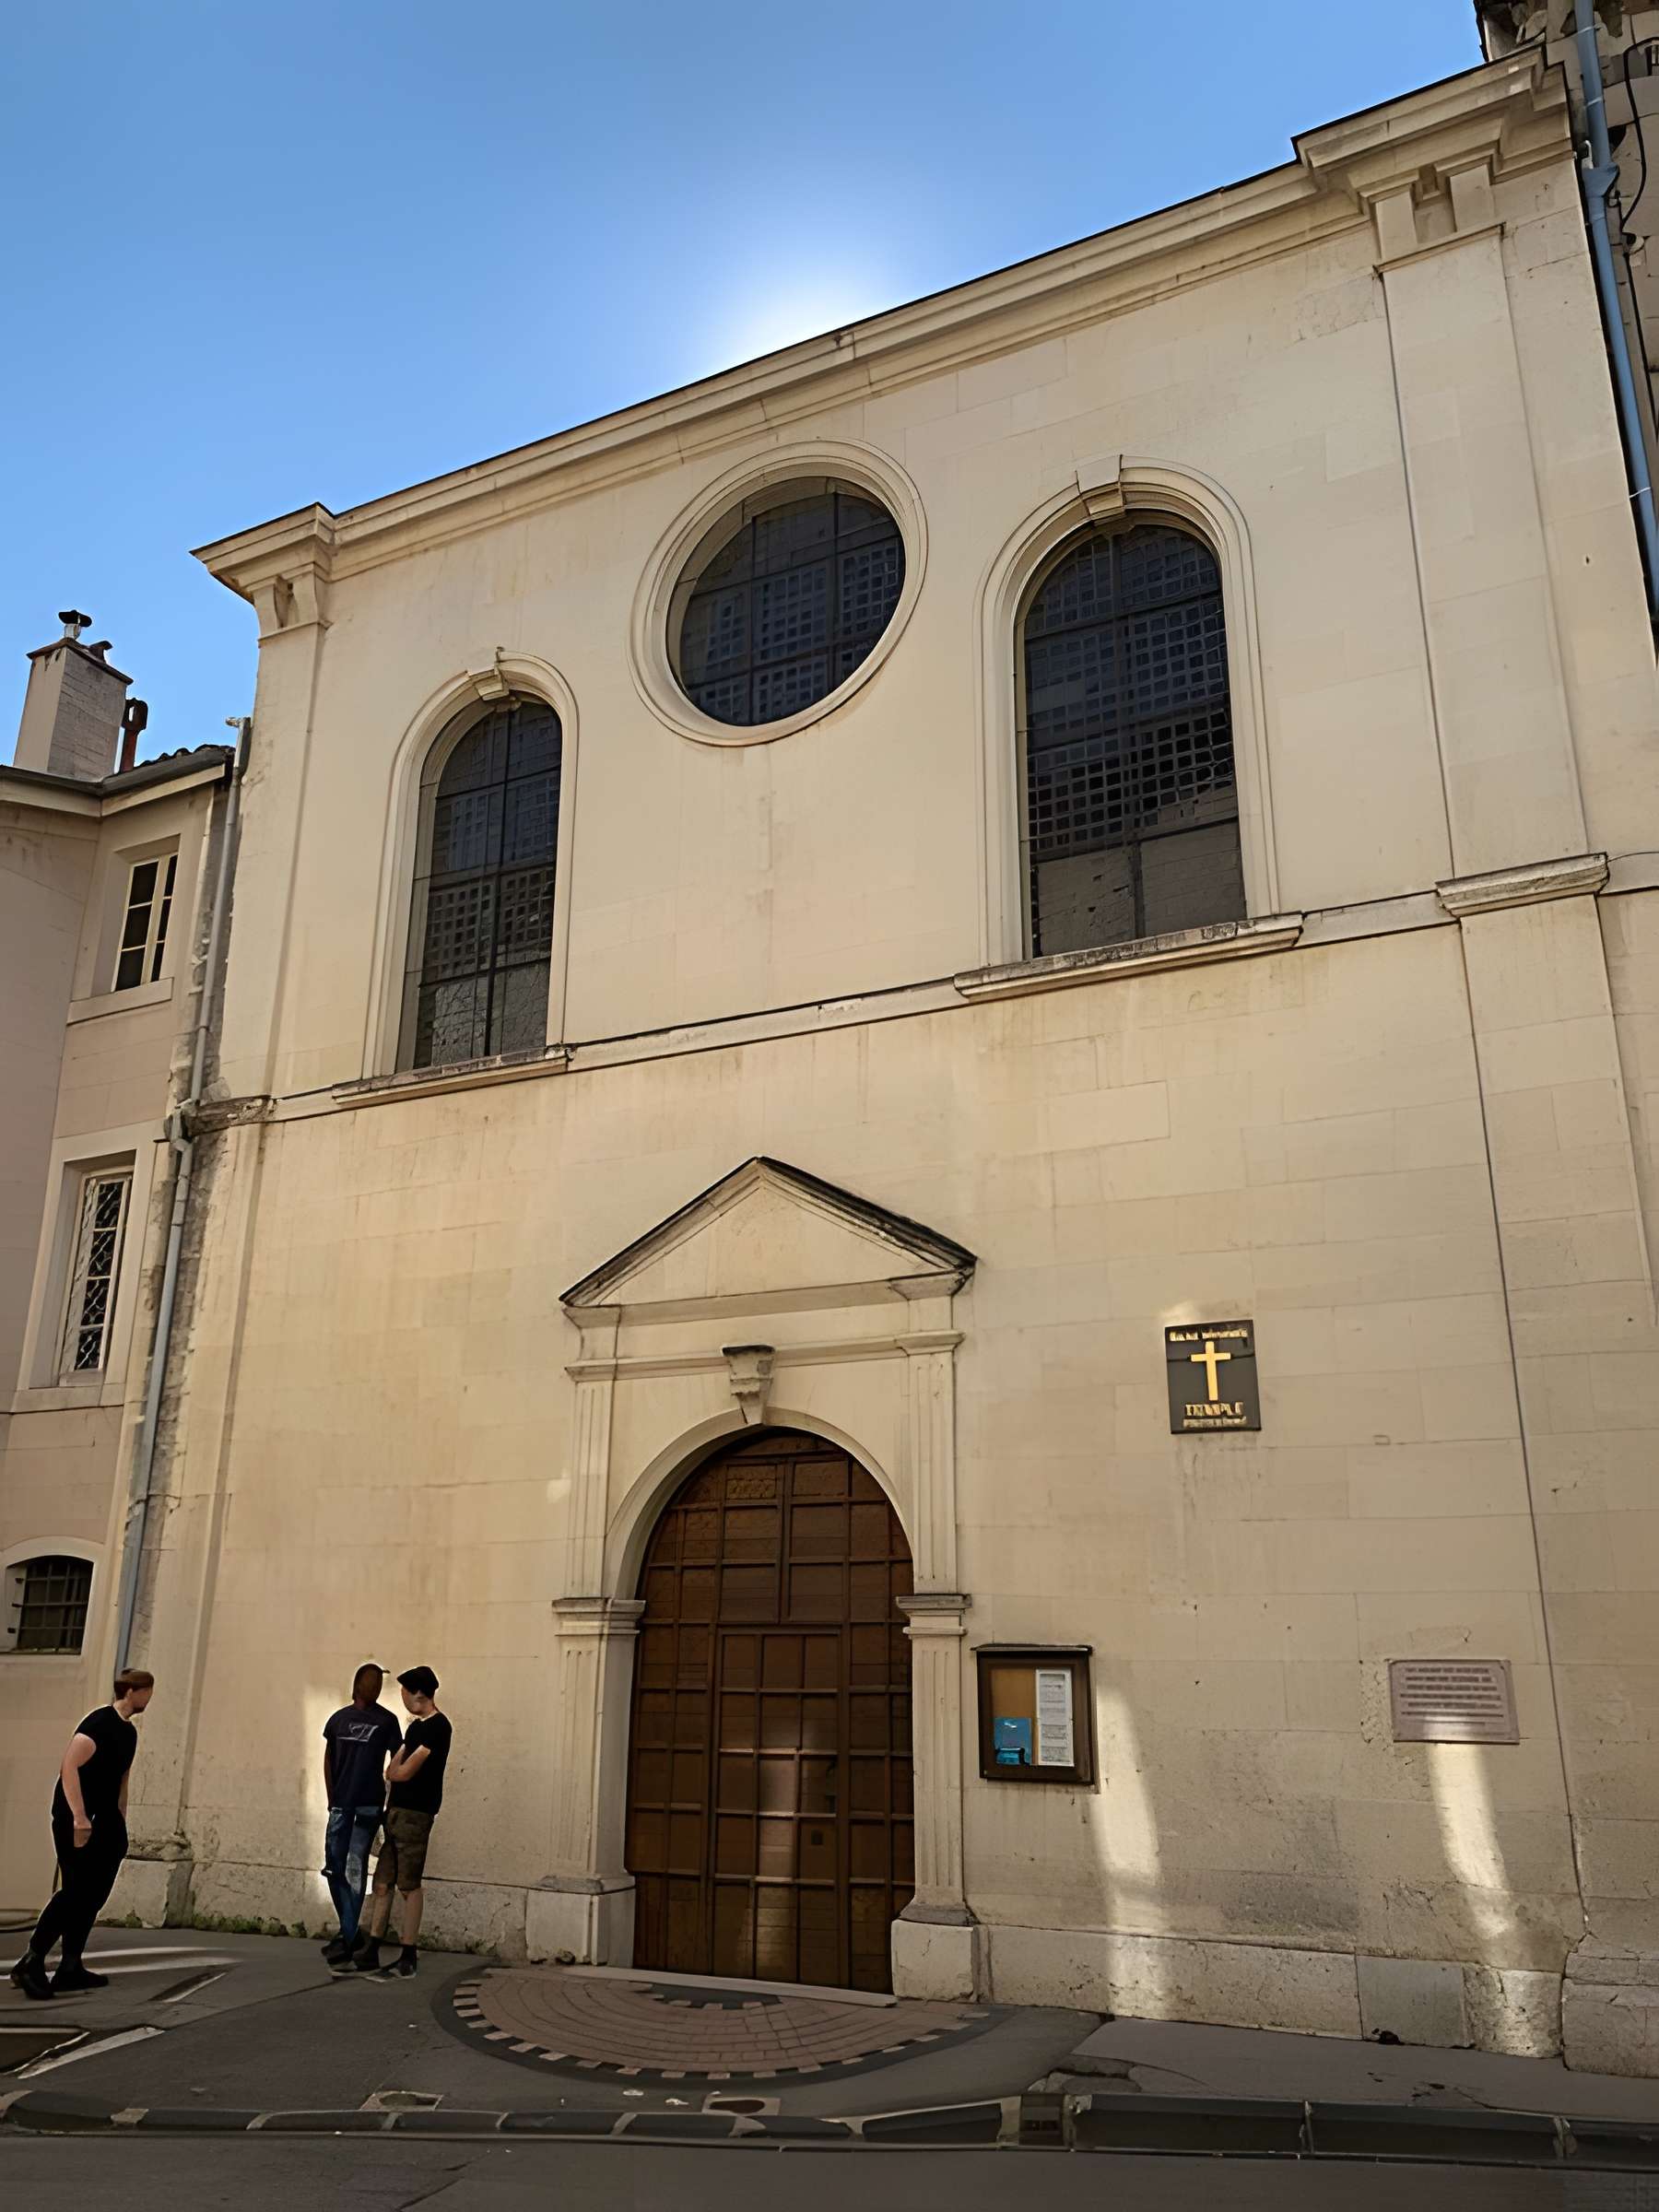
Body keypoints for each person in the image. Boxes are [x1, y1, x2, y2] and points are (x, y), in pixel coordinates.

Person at [10, 1668, 156, 2001]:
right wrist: (78, 1817)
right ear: (133, 1691)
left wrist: (121, 1822)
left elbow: (122, 1781)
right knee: (75, 1891)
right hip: (78, 1819)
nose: (150, 1698)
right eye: (147, 1691)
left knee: (93, 1895)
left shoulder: (128, 1733)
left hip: (107, 1822)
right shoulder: (99, 1723)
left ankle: (70, 1966)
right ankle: (30, 1962)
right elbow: (69, 1766)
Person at [355, 1665, 451, 1978]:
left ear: (418, 1694)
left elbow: (403, 1771)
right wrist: (396, 1769)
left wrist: (396, 1770)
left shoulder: (438, 1727)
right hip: (395, 1812)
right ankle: (373, 1944)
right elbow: (394, 1768)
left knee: (409, 1885)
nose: (403, 1699)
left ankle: (409, 1953)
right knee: (382, 1883)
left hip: (416, 1814)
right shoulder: (415, 1728)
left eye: (404, 1693)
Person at [320, 1662, 402, 1969]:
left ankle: (348, 1935)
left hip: (367, 1807)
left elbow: (397, 1760)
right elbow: (328, 1759)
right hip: (341, 1805)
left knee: (354, 1870)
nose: (374, 1688)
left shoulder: (388, 1721)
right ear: (356, 1686)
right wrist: (331, 1798)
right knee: (333, 1868)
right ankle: (350, 1933)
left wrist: (389, 1802)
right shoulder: (338, 1720)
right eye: (371, 1682)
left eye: (378, 1683)